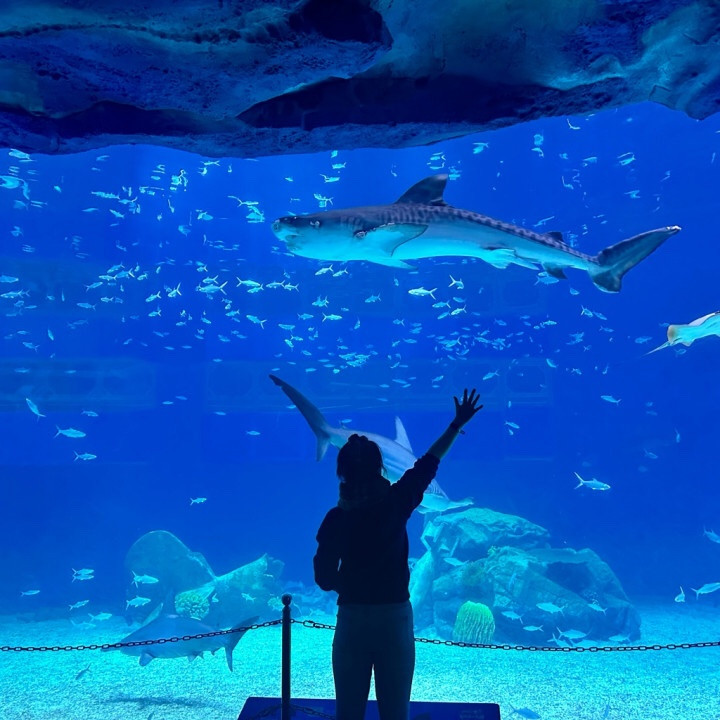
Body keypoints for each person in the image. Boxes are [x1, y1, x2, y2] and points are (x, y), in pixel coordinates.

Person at [313, 389, 483, 720]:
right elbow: (428, 464)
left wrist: (350, 585)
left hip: (352, 618)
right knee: (395, 713)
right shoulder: (397, 502)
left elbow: (323, 578)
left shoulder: (336, 519)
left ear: (341, 473)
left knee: (348, 713)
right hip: (394, 619)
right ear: (381, 469)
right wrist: (456, 424)